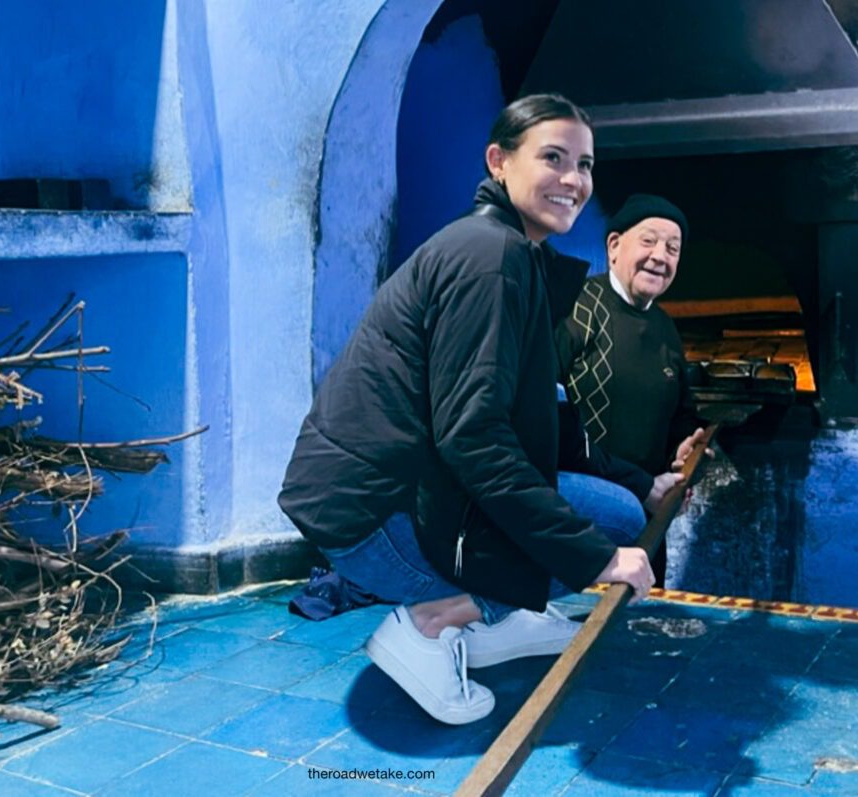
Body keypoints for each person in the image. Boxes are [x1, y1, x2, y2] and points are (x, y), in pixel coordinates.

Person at [279, 95, 679, 726]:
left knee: (619, 510)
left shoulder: (518, 258)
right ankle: (431, 624)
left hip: (414, 487)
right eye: (554, 158)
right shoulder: (489, 260)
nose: (574, 180)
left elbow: (549, 418)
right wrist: (592, 559)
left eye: (585, 164)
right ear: (500, 161)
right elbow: (475, 438)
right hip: (374, 517)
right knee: (600, 533)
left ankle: (500, 617)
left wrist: (641, 482)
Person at [555, 195, 709, 582]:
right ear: (613, 246)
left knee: (638, 631)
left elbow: (679, 417)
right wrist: (639, 487)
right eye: (649, 241)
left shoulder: (665, 329)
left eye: (673, 249)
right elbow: (549, 423)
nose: (661, 256)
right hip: (576, 513)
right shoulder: (574, 308)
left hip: (644, 521)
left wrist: (683, 452)